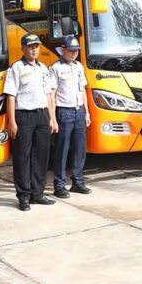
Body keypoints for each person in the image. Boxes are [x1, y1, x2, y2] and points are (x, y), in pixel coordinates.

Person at [4, 33, 59, 211]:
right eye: (30, 46)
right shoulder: (16, 68)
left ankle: (38, 193)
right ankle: (24, 196)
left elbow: (49, 94)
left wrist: (52, 118)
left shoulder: (44, 68)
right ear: (23, 48)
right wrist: (12, 122)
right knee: (22, 157)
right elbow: (11, 96)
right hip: (24, 116)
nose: (34, 49)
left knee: (41, 156)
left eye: (36, 46)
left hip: (42, 115)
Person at [50, 35, 92, 198]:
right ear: (63, 50)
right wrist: (52, 117)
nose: (74, 53)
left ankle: (78, 181)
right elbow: (52, 93)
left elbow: (83, 90)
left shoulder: (78, 67)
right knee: (62, 149)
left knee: (79, 148)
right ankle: (59, 184)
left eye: (76, 51)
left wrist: (86, 111)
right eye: (71, 50)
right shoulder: (55, 68)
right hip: (64, 111)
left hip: (79, 110)